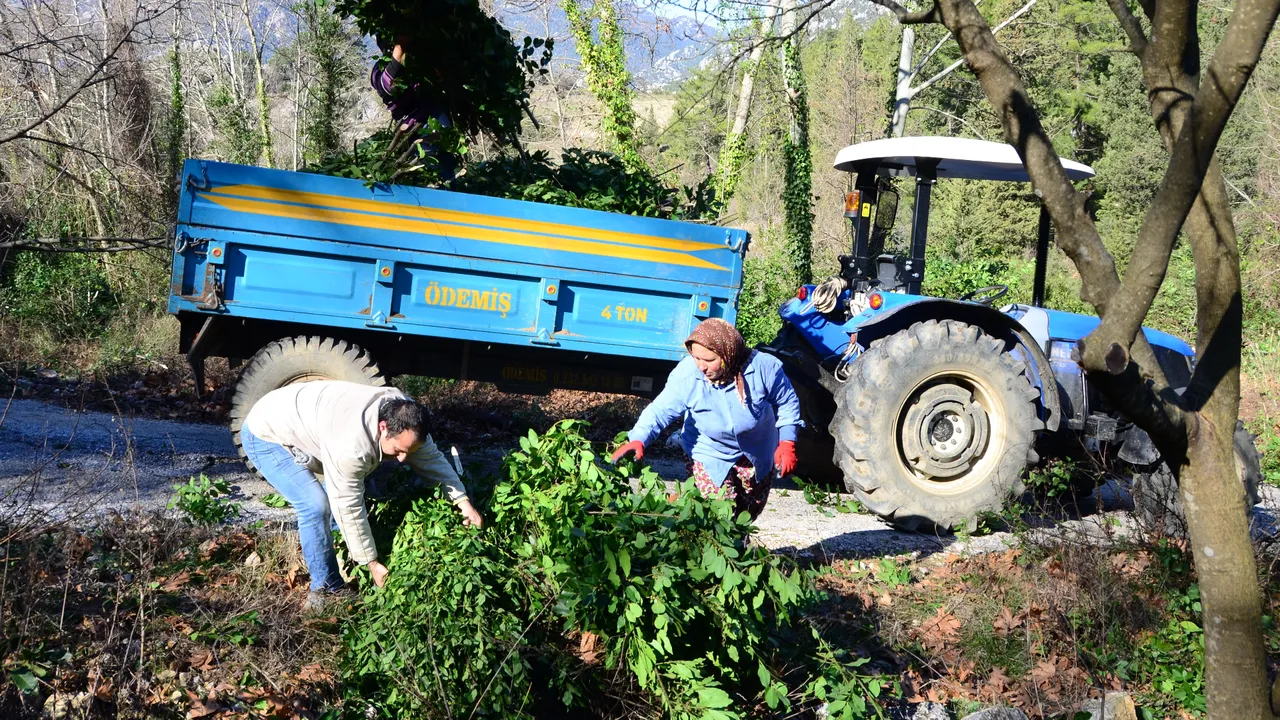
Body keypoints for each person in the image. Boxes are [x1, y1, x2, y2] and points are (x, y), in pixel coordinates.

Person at [240, 380, 482, 610]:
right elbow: (349, 505)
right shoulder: (351, 445)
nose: (402, 459)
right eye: (397, 451)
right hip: (266, 432)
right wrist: (372, 563)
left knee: (338, 489)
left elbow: (431, 460)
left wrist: (463, 503)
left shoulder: (408, 419)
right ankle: (325, 589)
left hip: (311, 418)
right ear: (383, 428)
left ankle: (341, 553)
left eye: (408, 451)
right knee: (315, 505)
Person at [611, 318, 802, 519]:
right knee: (719, 513)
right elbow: (659, 411)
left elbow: (787, 402)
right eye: (696, 358)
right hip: (708, 451)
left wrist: (787, 441)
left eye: (709, 360)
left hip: (757, 448)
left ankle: (730, 541)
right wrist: (639, 438)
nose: (701, 366)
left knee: (748, 511)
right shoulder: (687, 375)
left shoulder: (764, 368)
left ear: (729, 353)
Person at [369, 36, 457, 180]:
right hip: (417, 128)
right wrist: (398, 51)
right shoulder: (380, 69)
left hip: (439, 123)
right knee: (431, 170)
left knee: (446, 169)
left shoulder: (418, 63)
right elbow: (388, 88)